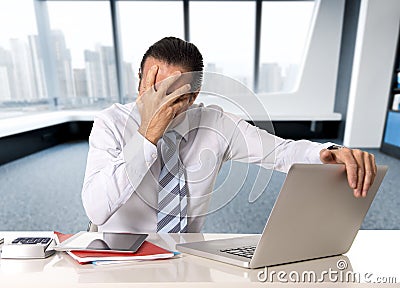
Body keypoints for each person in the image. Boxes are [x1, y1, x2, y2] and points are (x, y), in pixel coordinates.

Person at [82, 37, 377, 233]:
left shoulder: (215, 123)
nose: (159, 103)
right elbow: (96, 210)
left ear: (194, 96)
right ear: (139, 82)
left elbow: (282, 153)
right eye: (153, 89)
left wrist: (329, 151)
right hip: (118, 255)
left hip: (185, 255)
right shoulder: (111, 123)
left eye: (173, 95)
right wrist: (147, 136)